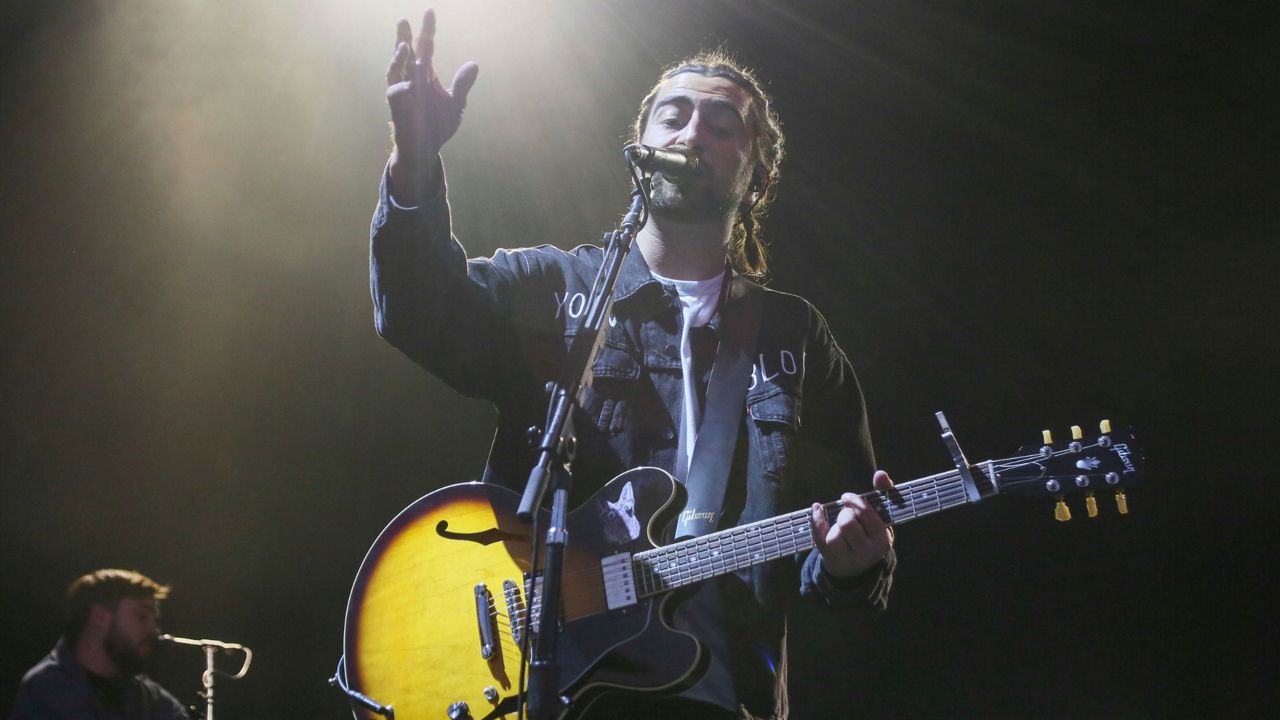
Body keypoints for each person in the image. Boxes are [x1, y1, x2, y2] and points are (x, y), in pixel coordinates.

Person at [371, 9, 897, 719]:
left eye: (720, 126)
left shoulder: (795, 338)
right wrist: (413, 161)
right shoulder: (556, 289)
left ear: (757, 174)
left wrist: (852, 564)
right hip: (554, 691)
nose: (691, 134)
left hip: (723, 697)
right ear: (642, 146)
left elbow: (838, 548)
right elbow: (416, 312)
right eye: (672, 117)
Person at [9, 569, 190, 720]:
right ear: (100, 616)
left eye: (155, 621)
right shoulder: (47, 687)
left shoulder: (143, 694)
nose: (154, 630)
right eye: (141, 617)